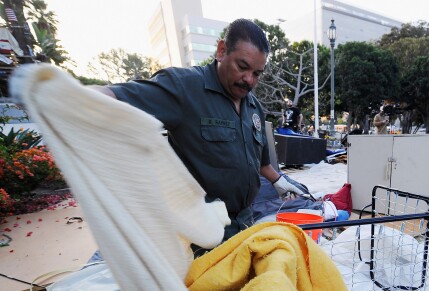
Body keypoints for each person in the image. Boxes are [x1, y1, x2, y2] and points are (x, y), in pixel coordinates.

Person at [94, 19, 309, 241]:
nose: (249, 80)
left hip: (244, 221)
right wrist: (75, 96)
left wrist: (278, 181)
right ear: (221, 50)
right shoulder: (185, 87)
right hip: (200, 231)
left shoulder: (254, 107)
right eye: (242, 67)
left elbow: (261, 162)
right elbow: (117, 97)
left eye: (257, 73)